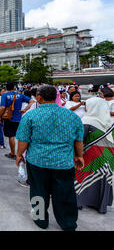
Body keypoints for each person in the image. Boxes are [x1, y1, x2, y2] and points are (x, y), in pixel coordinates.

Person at [15, 85, 84, 231]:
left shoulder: (30, 116)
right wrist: (79, 156)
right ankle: (68, 222)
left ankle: (40, 220)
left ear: (39, 98)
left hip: (37, 161)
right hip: (64, 162)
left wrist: (19, 155)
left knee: (38, 190)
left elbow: (23, 140)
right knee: (65, 192)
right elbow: (78, 140)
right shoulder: (72, 116)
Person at [76, 97, 113, 214]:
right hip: (109, 155)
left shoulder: (87, 121)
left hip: (91, 154)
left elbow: (79, 140)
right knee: (103, 178)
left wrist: (77, 154)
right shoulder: (109, 121)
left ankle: (80, 201)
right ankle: (100, 205)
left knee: (82, 178)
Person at [0, 82, 34, 159]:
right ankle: (20, 153)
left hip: (9, 118)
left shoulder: (5, 95)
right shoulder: (20, 95)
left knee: (11, 136)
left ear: (6, 88)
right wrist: (25, 109)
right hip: (19, 118)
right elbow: (32, 101)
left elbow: (2, 107)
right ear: (14, 88)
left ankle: (12, 153)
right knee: (20, 136)